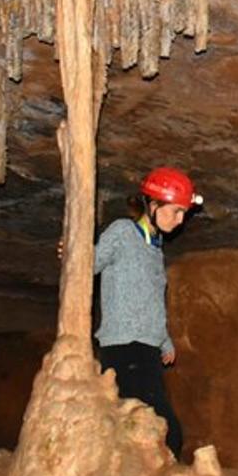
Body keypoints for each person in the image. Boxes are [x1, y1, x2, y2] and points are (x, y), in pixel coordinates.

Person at [94, 167, 202, 460]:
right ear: (153, 205)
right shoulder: (122, 232)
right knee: (164, 432)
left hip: (148, 351)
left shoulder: (155, 249)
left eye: (184, 213)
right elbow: (87, 263)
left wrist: (164, 341)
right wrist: (70, 252)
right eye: (176, 211)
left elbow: (153, 302)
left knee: (150, 431)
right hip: (123, 348)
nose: (180, 221)